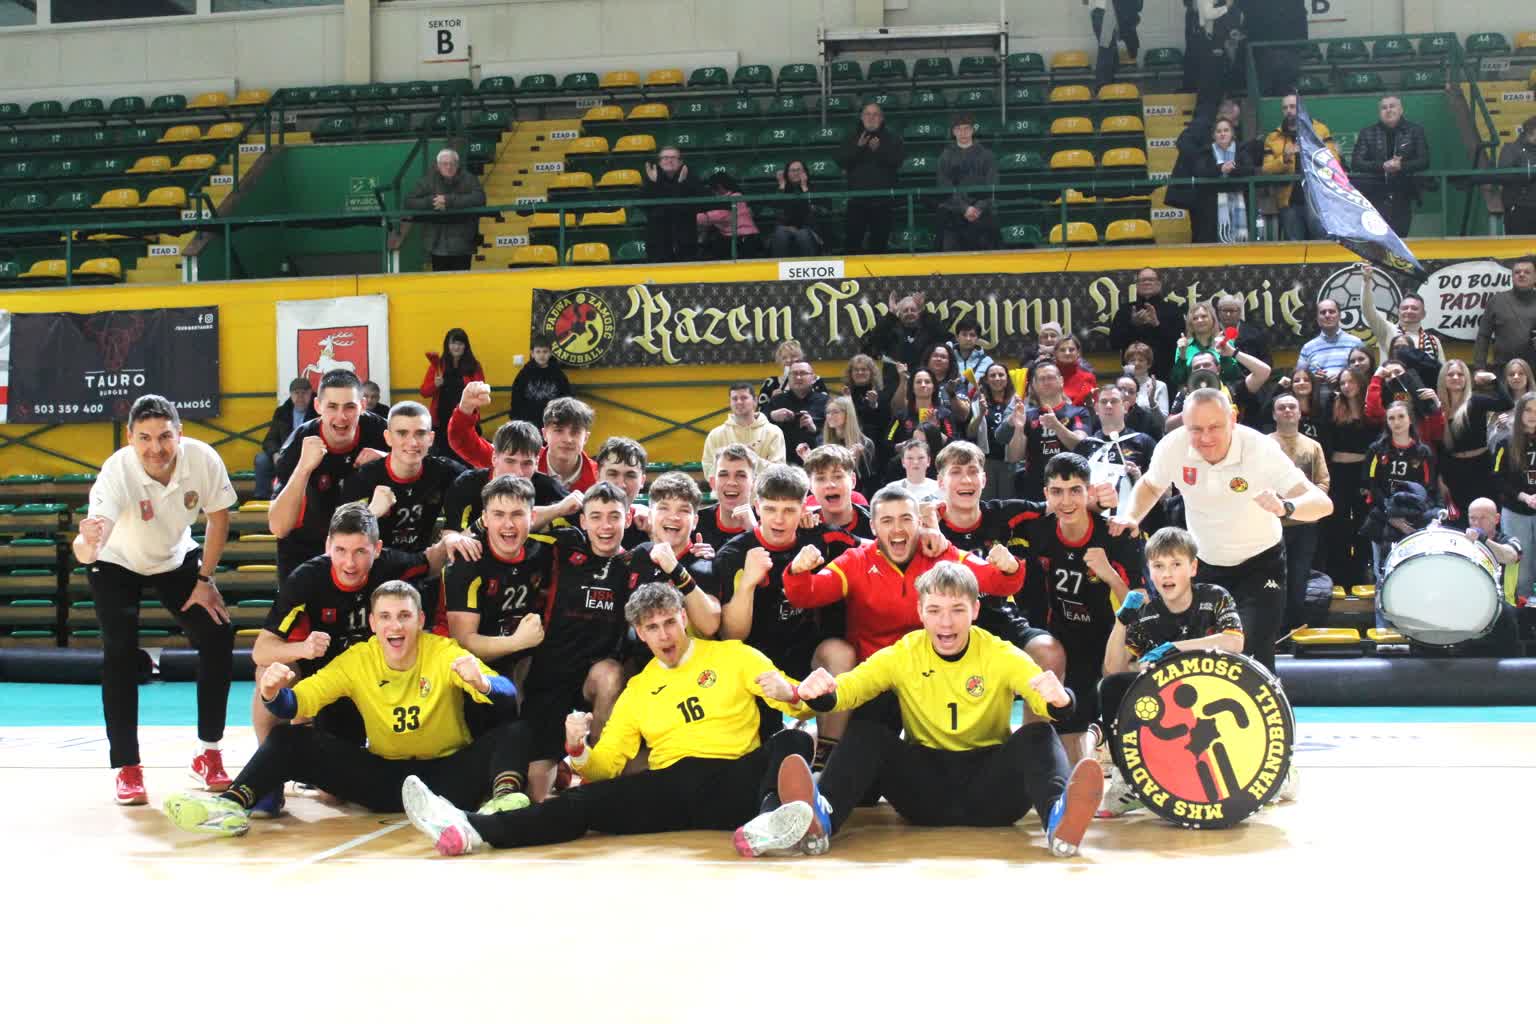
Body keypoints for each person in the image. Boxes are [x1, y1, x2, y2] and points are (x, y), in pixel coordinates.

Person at [398, 584, 817, 857]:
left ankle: (768, 823)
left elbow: (805, 704)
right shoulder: (638, 689)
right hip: (670, 787)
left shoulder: (735, 656)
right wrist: (577, 749)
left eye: (670, 622)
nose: (665, 635)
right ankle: (471, 828)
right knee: (580, 803)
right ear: (640, 633)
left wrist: (791, 694)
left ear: (684, 619)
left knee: (793, 742)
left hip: (733, 781)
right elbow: (605, 767)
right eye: (652, 628)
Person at [742, 561, 1103, 859]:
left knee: (1038, 734)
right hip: (924, 792)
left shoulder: (1000, 652)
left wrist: (1061, 699)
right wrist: (821, 694)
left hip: (994, 792)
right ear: (920, 613)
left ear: (975, 611)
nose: (946, 622)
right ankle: (821, 818)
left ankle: (1059, 819)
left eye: (957, 610)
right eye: (935, 611)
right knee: (869, 733)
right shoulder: (904, 652)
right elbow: (851, 689)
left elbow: (1046, 699)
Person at [162, 581, 525, 837]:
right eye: (385, 617)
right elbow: (299, 701)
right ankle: (230, 805)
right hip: (385, 781)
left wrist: (482, 683)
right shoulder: (358, 658)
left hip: (449, 777)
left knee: (514, 731)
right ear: (373, 624)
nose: (395, 625)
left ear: (419, 621)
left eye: (404, 616)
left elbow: (507, 696)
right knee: (288, 738)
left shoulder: (443, 652)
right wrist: (272, 693)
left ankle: (505, 804)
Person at [73, 395, 237, 806]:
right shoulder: (116, 473)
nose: (156, 447)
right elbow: (88, 549)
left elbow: (219, 518)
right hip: (116, 562)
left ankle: (209, 753)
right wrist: (86, 542)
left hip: (174, 558)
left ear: (180, 434)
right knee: (120, 651)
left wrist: (205, 579)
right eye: (144, 438)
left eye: (164, 436)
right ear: (130, 438)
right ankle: (127, 767)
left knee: (218, 634)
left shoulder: (203, 459)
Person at [1108, 387, 1334, 679]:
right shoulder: (1173, 446)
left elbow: (1322, 504)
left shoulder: (1260, 449)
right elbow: (1151, 485)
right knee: (1203, 659)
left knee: (1251, 653)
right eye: (1196, 429)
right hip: (1205, 564)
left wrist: (1286, 507)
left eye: (1214, 427)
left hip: (1260, 563)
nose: (1205, 438)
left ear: (1233, 419)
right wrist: (1131, 516)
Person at [251, 504, 435, 813]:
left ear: (377, 549)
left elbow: (434, 559)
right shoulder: (307, 579)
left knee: (334, 794)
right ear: (328, 546)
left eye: (360, 552)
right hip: (323, 684)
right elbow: (261, 650)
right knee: (271, 670)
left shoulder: (392, 567)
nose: (349, 562)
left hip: (367, 686)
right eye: (340, 550)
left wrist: (456, 539)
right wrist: (303, 648)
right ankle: (269, 776)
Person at [1098, 526, 1246, 816]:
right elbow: (1113, 669)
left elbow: (1234, 642)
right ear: (1150, 572)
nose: (1167, 574)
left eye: (1176, 564)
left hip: (1214, 692)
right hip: (1169, 701)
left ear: (1193, 568)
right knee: (1113, 687)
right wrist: (1121, 621)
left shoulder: (1215, 596)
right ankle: (1126, 779)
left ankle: (1270, 768)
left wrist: (1175, 648)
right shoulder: (1146, 614)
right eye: (1158, 566)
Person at [1016, 453, 1142, 763]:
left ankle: (1116, 748)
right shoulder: (1037, 531)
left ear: (1089, 492)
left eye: (1075, 490)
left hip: (1110, 644)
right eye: (1057, 491)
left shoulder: (1115, 535)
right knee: (1059, 730)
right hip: (1061, 642)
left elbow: (1141, 607)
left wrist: (1109, 575)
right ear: (1046, 494)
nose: (1066, 500)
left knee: (1113, 697)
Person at [519, 483, 635, 798]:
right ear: (583, 521)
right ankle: (560, 765)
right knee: (535, 792)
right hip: (552, 675)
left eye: (614, 516)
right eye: (595, 517)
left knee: (611, 674)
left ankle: (594, 777)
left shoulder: (636, 562)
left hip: (594, 680)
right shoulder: (565, 547)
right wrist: (560, 508)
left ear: (628, 519)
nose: (605, 526)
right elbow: (518, 524)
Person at [930, 440, 1070, 679]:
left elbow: (1061, 505)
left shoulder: (1002, 513)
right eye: (956, 472)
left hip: (1001, 618)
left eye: (973, 471)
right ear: (941, 482)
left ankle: (1034, 707)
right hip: (945, 625)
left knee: (1049, 651)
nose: (966, 480)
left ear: (984, 480)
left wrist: (1101, 504)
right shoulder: (927, 525)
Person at [340, 401, 469, 613]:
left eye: (420, 433)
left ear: (431, 438)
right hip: (375, 573)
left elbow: (484, 483)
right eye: (402, 433)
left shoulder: (444, 471)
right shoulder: (363, 479)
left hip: (426, 572)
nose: (412, 442)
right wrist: (371, 513)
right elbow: (340, 541)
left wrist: (455, 533)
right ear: (388, 437)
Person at [268, 369, 388, 582]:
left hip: (363, 553)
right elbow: (278, 527)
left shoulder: (381, 432)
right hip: (306, 551)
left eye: (350, 407)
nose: (341, 417)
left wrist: (388, 459)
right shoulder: (298, 444)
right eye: (332, 406)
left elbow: (425, 462)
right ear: (318, 406)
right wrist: (303, 468)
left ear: (362, 405)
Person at [624, 471, 722, 637]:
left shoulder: (704, 562)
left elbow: (710, 625)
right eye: (664, 508)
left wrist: (676, 569)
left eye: (683, 510)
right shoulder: (640, 553)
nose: (673, 517)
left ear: (695, 522)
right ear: (650, 516)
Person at [442, 419, 573, 536]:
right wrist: (556, 510)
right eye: (510, 461)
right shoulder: (467, 485)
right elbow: (450, 542)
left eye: (527, 463)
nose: (518, 472)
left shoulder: (549, 489)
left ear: (536, 463)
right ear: (494, 458)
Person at [1270, 393, 1330, 630]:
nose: (1287, 411)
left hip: (1305, 527)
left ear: (1299, 413)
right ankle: (1273, 632)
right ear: (1274, 414)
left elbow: (1323, 483)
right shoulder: (1264, 445)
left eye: (1291, 407)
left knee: (1298, 579)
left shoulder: (1313, 446)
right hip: (1271, 527)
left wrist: (1303, 505)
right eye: (1281, 407)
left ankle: (1294, 631)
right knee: (1273, 581)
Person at [1365, 401, 1437, 592]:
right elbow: (1372, 485)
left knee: (1413, 569)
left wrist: (1409, 517)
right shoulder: (1377, 450)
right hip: (1382, 516)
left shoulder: (1423, 452)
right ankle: (1381, 608)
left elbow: (1428, 488)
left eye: (1401, 417)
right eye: (1391, 418)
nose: (1396, 422)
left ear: (1410, 419)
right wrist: (1390, 515)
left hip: (1413, 520)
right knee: (1382, 571)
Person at [1000, 362, 1090, 501]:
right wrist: (1018, 428)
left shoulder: (1078, 412)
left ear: (1061, 381)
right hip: (1035, 488)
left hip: (1071, 484)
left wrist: (1056, 426)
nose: (1046, 382)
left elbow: (1081, 445)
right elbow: (1014, 457)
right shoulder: (1027, 416)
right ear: (1034, 385)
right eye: (1041, 379)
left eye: (1051, 377)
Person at [1434, 360, 1508, 521]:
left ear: (1466, 378)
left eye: (1460, 374)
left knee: (1487, 516)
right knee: (1459, 519)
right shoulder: (1438, 407)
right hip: (1453, 470)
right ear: (1443, 379)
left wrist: (1493, 379)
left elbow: (1506, 403)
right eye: (1450, 374)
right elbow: (1438, 447)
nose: (1455, 377)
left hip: (1481, 466)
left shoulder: (1476, 401)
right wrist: (1440, 478)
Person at [1350, 96, 1430, 239]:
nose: (1388, 110)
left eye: (1392, 106)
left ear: (1401, 110)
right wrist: (1382, 166)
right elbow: (1356, 163)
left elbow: (1424, 161)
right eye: (1384, 107)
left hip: (1404, 192)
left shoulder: (1415, 130)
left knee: (1400, 237)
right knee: (1377, 239)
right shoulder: (1367, 132)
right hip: (1374, 194)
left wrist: (1401, 166)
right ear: (1379, 112)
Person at [1262, 94, 1340, 242]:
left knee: (1321, 242)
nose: (1289, 111)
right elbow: (1266, 169)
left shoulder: (1320, 130)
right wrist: (1284, 158)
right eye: (1285, 108)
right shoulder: (1273, 137)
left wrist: (1312, 151)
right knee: (1295, 244)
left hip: (1317, 197)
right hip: (1289, 201)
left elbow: (1334, 161)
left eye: (1292, 107)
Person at [1173, 115, 1254, 244]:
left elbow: (1250, 169)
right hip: (1210, 207)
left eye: (1226, 130)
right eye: (1219, 131)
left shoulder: (1242, 151)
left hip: (1238, 202)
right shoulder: (1205, 152)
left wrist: (1233, 169)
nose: (1222, 134)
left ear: (1232, 134)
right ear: (1214, 135)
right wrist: (1221, 169)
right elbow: (1200, 171)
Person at [404, 147, 485, 272]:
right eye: (444, 164)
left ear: (457, 164)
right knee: (440, 281)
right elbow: (409, 202)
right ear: (438, 165)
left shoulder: (469, 179)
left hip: (463, 242)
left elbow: (480, 198)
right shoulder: (428, 181)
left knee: (462, 281)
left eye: (452, 163)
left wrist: (449, 201)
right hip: (437, 243)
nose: (449, 167)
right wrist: (432, 201)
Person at [1462, 497, 1525, 656]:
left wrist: (1483, 540)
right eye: (1472, 518)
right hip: (1469, 603)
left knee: (1504, 612)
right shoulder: (1462, 542)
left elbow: (1510, 556)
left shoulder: (1509, 541)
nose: (1476, 523)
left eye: (1483, 518)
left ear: (1496, 519)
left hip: (1503, 606)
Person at [839, 103, 903, 255]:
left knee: (879, 245)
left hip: (882, 201)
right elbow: (841, 161)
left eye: (875, 114)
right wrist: (858, 148)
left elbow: (897, 162)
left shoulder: (892, 138)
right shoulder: (851, 137)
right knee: (852, 243)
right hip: (856, 200)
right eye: (867, 114)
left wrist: (879, 151)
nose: (871, 118)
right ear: (862, 117)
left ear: (881, 118)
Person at [1361, 268, 1446, 374]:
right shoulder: (1387, 330)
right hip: (1393, 383)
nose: (1409, 311)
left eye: (1414, 308)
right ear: (1398, 312)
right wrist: (1366, 282)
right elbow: (1368, 309)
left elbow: (1443, 372)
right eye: (1405, 308)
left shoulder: (1433, 341)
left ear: (1423, 314)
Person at [1492, 393, 1536, 599]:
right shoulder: (1505, 442)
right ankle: (1521, 610)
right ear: (1519, 413)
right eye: (1528, 410)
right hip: (1516, 511)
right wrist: (1523, 496)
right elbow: (1497, 478)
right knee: (1521, 567)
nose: (1533, 415)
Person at [1109, 267, 1186, 381]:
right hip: (1133, 377)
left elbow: (1180, 344)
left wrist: (1157, 325)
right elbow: (1114, 343)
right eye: (1143, 280)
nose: (1147, 282)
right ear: (1136, 285)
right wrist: (1132, 325)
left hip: (1166, 374)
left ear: (1159, 284)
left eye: (1151, 279)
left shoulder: (1173, 310)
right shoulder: (1125, 311)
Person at [936, 112, 999, 252]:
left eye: (966, 128)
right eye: (958, 129)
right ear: (953, 132)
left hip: (982, 215)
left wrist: (978, 207)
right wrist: (964, 208)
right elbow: (944, 187)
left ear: (972, 130)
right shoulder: (945, 157)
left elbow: (992, 185)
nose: (963, 133)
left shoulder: (987, 155)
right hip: (954, 216)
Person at [421, 327, 484, 459]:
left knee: (468, 456)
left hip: (466, 419)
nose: (456, 347)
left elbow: (481, 391)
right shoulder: (438, 365)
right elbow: (424, 392)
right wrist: (435, 385)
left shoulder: (474, 366)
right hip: (442, 421)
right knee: (445, 458)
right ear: (447, 345)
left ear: (465, 346)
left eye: (460, 344)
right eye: (453, 343)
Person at [701, 381, 787, 473]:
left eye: (744, 398)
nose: (739, 402)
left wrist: (754, 459)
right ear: (730, 402)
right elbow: (708, 470)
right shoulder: (715, 435)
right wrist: (731, 462)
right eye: (734, 399)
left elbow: (779, 471)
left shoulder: (774, 432)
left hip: (762, 483)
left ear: (755, 401)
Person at [642, 145, 706, 262]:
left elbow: (702, 200)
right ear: (659, 162)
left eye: (673, 157)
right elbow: (644, 204)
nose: (669, 160)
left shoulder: (690, 177)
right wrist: (653, 183)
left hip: (686, 240)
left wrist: (683, 184)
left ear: (680, 162)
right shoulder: (651, 178)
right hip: (658, 242)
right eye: (665, 158)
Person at [1473, 255, 1536, 372]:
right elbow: (1483, 337)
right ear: (1512, 276)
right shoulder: (1497, 301)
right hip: (1503, 370)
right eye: (1517, 272)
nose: (1521, 275)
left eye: (1527, 272)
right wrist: (1479, 368)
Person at [971, 363, 1025, 498]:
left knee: (1008, 501)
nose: (997, 378)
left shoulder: (1017, 400)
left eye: (1001, 375)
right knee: (987, 502)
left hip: (1010, 461)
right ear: (986, 379)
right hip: (986, 461)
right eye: (992, 375)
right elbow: (970, 432)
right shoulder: (978, 401)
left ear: (1007, 378)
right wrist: (980, 414)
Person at [255, 377, 312, 501]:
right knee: (261, 460)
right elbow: (270, 439)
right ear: (291, 395)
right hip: (284, 455)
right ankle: (263, 499)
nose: (300, 397)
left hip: (309, 454)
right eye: (296, 393)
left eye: (304, 393)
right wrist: (275, 453)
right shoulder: (282, 412)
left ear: (310, 394)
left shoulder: (318, 411)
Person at [865, 290, 949, 371]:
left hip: (922, 377)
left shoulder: (928, 329)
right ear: (899, 314)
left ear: (919, 312)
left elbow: (942, 337)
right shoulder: (891, 330)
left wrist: (923, 310)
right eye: (905, 311)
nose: (909, 313)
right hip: (895, 378)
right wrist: (891, 314)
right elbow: (873, 344)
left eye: (913, 310)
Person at [697, 444, 757, 552]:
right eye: (724, 475)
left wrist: (754, 531)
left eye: (741, 475)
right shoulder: (696, 523)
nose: (731, 482)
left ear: (753, 483)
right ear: (713, 483)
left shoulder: (768, 524)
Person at [594, 435, 651, 549]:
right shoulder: (575, 521)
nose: (621, 484)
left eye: (630, 475)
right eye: (613, 474)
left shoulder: (651, 529)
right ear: (597, 477)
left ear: (642, 481)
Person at [809, 396, 877, 484]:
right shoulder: (821, 440)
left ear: (848, 414)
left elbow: (868, 480)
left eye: (835, 412)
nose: (830, 416)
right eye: (828, 412)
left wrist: (855, 462)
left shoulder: (865, 443)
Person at [843, 353, 900, 458]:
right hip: (852, 444)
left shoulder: (882, 395)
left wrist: (874, 405)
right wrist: (847, 402)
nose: (860, 372)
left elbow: (886, 422)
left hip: (878, 447)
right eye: (856, 370)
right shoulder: (846, 394)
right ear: (851, 373)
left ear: (871, 372)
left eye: (864, 369)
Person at [508, 337, 573, 427]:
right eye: (538, 352)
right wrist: (516, 418)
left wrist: (563, 417)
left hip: (552, 420)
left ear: (550, 353)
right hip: (528, 420)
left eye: (545, 351)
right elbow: (516, 396)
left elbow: (566, 396)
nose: (541, 355)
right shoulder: (525, 373)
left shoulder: (558, 374)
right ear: (532, 354)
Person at [696, 171, 760, 260]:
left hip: (745, 240)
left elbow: (719, 215)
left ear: (719, 187)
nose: (713, 193)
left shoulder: (735, 197)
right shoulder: (728, 198)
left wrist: (691, 216)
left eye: (713, 190)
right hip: (731, 238)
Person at [1295, 299, 1365, 380]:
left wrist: (1343, 376)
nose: (1327, 315)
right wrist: (1313, 378)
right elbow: (1299, 377)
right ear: (1317, 319)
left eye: (1331, 312)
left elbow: (1364, 373)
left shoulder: (1356, 343)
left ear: (1339, 316)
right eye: (1323, 312)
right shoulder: (1307, 348)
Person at [770, 159, 821, 257]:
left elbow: (813, 209)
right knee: (781, 233)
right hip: (785, 228)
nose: (795, 173)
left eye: (798, 170)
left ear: (805, 172)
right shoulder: (781, 189)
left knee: (803, 235)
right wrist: (782, 186)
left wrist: (804, 187)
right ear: (787, 173)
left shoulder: (813, 187)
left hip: (809, 228)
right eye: (792, 170)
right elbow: (775, 208)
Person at [1089, 0, 1143, 89]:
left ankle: (1106, 85)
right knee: (1107, 48)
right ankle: (1104, 86)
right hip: (1104, 10)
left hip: (1104, 10)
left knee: (1108, 49)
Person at [1497, 116, 1536, 236]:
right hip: (1519, 207)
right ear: (1531, 131)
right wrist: (1529, 171)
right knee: (1519, 245)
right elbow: (1503, 175)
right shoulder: (1510, 149)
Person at [1122, 340, 1170, 417]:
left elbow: (1164, 419)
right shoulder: (1121, 386)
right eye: (1132, 360)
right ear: (1127, 364)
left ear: (1149, 364)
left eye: (1141, 360)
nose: (1136, 363)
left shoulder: (1160, 386)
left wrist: (1152, 402)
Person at [1053, 333, 1097, 408]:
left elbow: (1094, 406)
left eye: (1071, 350)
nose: (1067, 353)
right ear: (1055, 353)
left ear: (1078, 352)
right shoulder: (1048, 377)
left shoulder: (1089, 377)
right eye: (1062, 350)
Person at [896, 438, 943, 502]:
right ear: (903, 462)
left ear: (928, 461)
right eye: (910, 458)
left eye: (921, 458)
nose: (915, 462)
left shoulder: (939, 488)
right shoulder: (892, 490)